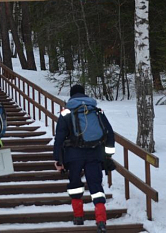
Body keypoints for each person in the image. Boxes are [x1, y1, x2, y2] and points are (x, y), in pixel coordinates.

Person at [53, 84, 115, 233]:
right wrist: (107, 155)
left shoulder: (67, 112)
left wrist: (58, 160)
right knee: (96, 186)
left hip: (73, 155)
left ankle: (78, 217)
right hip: (94, 153)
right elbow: (110, 133)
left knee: (75, 184)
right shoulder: (95, 110)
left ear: (71, 95)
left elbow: (59, 138)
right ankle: (101, 220)